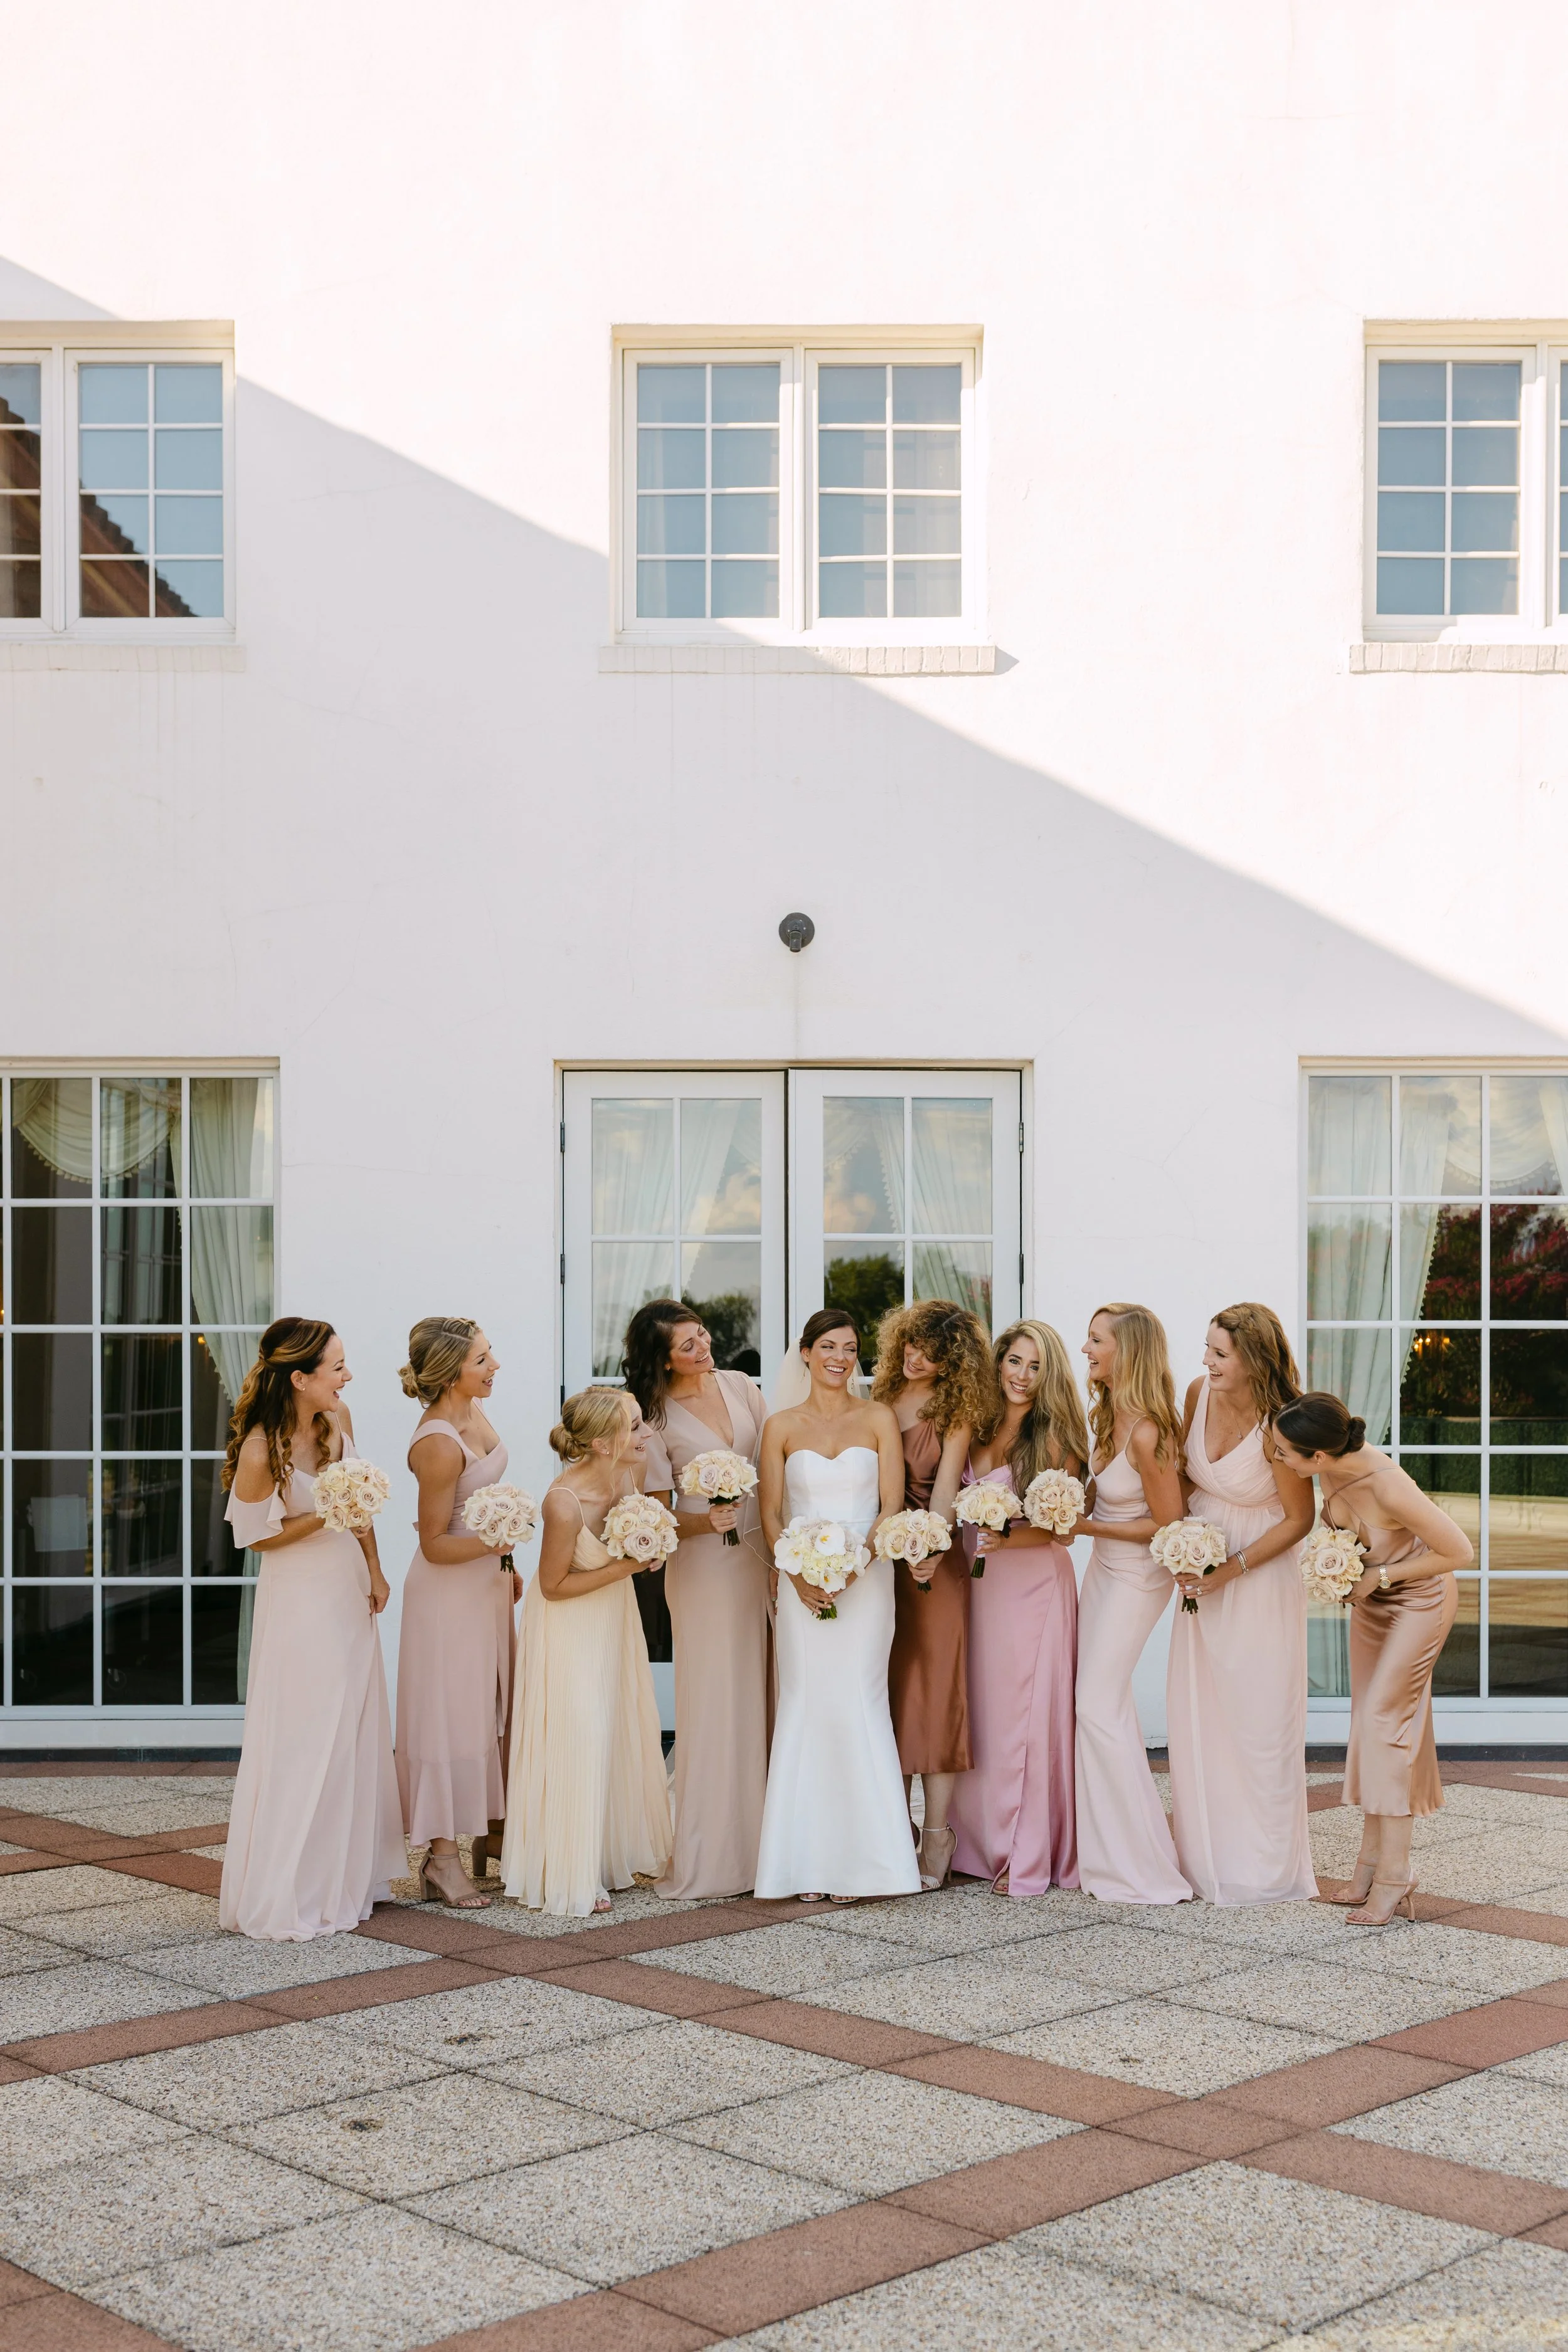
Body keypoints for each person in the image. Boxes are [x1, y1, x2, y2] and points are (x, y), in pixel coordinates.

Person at [219, 1318, 405, 1941]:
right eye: (337, 1367)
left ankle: (346, 1874)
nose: (346, 1377)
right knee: (306, 1732)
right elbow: (256, 1538)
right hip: (300, 1599)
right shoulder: (258, 1448)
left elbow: (360, 1504)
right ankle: (291, 1885)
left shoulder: (339, 1421)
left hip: (348, 1587)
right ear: (299, 1378)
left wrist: (375, 1569)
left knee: (352, 1723)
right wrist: (327, 1511)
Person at [1272, 1391, 1470, 1926]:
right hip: (1373, 1604)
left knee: (1386, 1722)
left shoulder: (1386, 1483)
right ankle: (1370, 1862)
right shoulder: (1331, 1471)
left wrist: (1378, 1577)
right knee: (1371, 1725)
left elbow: (1459, 1552)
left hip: (1419, 1601)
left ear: (1318, 1457)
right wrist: (1339, 1573)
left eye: (1285, 1453)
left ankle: (1396, 1874)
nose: (1280, 1462)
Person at [754, 1310, 919, 1903]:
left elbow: (891, 1505)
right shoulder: (779, 1426)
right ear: (805, 1352)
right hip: (801, 1584)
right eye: (828, 1346)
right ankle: (804, 1864)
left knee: (860, 1701)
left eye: (850, 1348)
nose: (840, 1358)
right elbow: (771, 1515)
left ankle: (865, 1865)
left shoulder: (878, 1418)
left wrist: (856, 1565)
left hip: (868, 1581)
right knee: (806, 1704)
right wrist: (795, 1574)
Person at [500, 1388, 671, 1915]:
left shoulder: (628, 1476)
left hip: (613, 1620)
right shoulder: (563, 1502)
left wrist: (652, 1547)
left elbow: (639, 1539)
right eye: (636, 1427)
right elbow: (552, 1586)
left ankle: (598, 1855)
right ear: (602, 1443)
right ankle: (566, 1871)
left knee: (613, 1728)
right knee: (582, 1733)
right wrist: (629, 1567)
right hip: (570, 1628)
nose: (647, 1435)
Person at [1166, 1305, 1316, 1905]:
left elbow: (1300, 1518)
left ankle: (1263, 1868)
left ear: (1253, 1358)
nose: (1206, 1361)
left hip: (1260, 1576)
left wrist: (1233, 1568)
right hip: (1199, 1571)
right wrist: (1175, 1541)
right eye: (1206, 1348)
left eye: (1219, 1352)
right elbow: (1182, 1480)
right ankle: (1205, 1859)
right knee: (1201, 1713)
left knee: (1259, 1720)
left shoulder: (1284, 1420)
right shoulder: (1199, 1393)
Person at [626, 1300, 770, 1900]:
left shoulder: (740, 1385)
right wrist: (706, 1522)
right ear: (662, 1358)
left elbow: (774, 1463)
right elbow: (657, 1514)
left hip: (761, 1555)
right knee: (717, 1693)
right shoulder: (651, 1419)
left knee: (766, 1684)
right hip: (705, 1567)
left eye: (703, 1336)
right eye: (687, 1345)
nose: (703, 1349)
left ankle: (772, 1840)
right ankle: (717, 1850)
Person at [950, 1320, 1088, 1897]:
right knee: (983, 1711)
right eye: (1014, 1362)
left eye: (1035, 1367)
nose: (1022, 1377)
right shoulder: (976, 1421)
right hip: (976, 1584)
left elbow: (1065, 1529)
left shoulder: (1054, 1436)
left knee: (1025, 1716)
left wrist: (1009, 1538)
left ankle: (1022, 1853)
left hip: (1031, 1586)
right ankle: (974, 1844)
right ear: (998, 1362)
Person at [395, 1317, 521, 1909]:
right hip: (447, 1595)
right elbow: (434, 1543)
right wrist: (497, 1544)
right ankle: (441, 1861)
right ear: (450, 1372)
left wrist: (508, 1562)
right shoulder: (439, 1443)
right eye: (483, 1359)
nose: (494, 1366)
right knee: (450, 1718)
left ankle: (488, 1836)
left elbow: (485, 1507)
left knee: (488, 1710)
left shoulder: (478, 1412)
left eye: (490, 1354)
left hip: (488, 1585)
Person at [872, 1300, 999, 1888]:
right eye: (910, 1344)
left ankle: (937, 1833)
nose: (914, 1356)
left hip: (934, 1560)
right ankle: (887, 1827)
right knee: (887, 1693)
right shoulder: (877, 1398)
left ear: (954, 1362)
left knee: (937, 1693)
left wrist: (928, 1547)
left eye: (930, 1351)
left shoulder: (957, 1411)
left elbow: (946, 1489)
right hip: (877, 1563)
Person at [1073, 1301, 1192, 1905]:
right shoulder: (1107, 1415)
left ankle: (1139, 1865)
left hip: (1139, 1578)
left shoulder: (1148, 1430)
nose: (1087, 1348)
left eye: (1097, 1340)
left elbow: (1168, 1526)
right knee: (1099, 1703)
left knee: (1094, 1703)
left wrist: (1087, 1526)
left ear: (1128, 1351)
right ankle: (1104, 1850)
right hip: (1101, 1573)